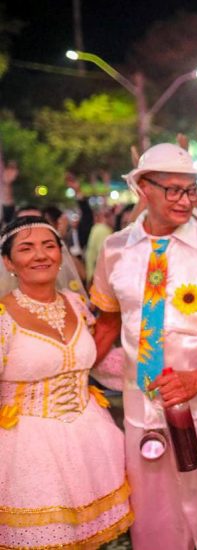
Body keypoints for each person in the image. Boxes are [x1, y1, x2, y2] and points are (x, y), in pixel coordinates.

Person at [90, 142, 197, 549]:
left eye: (192, 190)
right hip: (142, 412)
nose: (186, 200)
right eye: (173, 190)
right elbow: (107, 325)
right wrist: (63, 371)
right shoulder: (114, 250)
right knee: (154, 523)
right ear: (142, 188)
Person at [0, 216, 132, 548]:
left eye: (49, 245)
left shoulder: (75, 303)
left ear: (61, 254)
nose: (40, 255)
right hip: (25, 451)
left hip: (90, 439)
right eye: (26, 248)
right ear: (8, 262)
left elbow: (92, 362)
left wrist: (153, 366)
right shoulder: (2, 316)